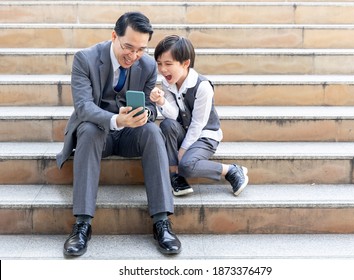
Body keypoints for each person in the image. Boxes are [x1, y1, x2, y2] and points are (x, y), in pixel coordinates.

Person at [56, 12, 181, 256]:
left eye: (141, 50)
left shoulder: (145, 65)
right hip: (97, 132)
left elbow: (151, 107)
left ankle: (162, 222)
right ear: (114, 36)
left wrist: (147, 112)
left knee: (153, 133)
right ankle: (82, 224)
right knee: (90, 131)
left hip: (129, 135)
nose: (133, 56)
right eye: (128, 47)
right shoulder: (85, 59)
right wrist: (115, 119)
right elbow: (83, 107)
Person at [150, 35, 249, 197]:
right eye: (159, 64)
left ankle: (231, 170)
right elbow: (173, 115)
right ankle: (175, 176)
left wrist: (182, 151)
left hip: (205, 136)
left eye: (168, 64)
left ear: (186, 63)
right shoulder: (168, 83)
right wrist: (161, 101)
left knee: (187, 166)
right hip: (184, 131)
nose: (162, 69)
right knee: (167, 125)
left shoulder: (202, 86)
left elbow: (198, 124)